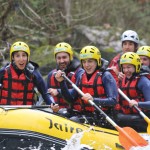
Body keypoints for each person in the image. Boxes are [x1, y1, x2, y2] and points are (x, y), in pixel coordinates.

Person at [55, 45, 118, 129]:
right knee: (61, 114)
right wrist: (62, 82)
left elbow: (113, 100)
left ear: (97, 61)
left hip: (103, 117)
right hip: (86, 114)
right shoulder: (81, 76)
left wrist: (93, 100)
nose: (86, 65)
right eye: (84, 62)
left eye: (90, 61)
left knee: (74, 120)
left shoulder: (106, 76)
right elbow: (70, 99)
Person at [0, 41, 59, 112]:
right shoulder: (4, 71)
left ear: (28, 57)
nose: (21, 59)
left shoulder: (34, 72)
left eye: (24, 55)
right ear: (13, 58)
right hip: (6, 111)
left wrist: (52, 104)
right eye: (17, 56)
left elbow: (45, 93)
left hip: (26, 113)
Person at [47, 42, 84, 115]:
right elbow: (47, 95)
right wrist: (52, 104)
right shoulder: (51, 75)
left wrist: (58, 91)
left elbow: (75, 95)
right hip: (57, 113)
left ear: (70, 57)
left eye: (64, 57)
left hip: (76, 113)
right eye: (59, 58)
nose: (61, 61)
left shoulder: (80, 73)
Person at [116, 52, 150, 132]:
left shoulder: (143, 81)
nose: (126, 70)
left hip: (142, 117)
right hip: (127, 115)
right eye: (124, 68)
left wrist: (138, 104)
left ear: (136, 67)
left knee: (124, 119)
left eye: (129, 67)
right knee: (117, 117)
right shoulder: (123, 79)